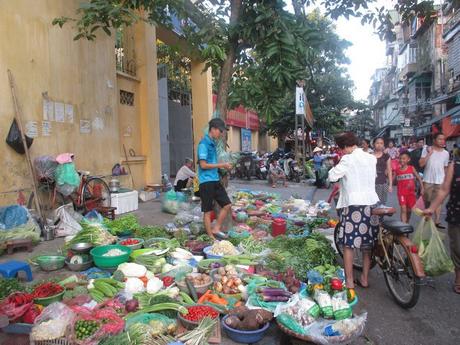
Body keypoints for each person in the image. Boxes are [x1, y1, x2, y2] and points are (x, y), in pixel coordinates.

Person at [328, 132, 379, 289]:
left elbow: (332, 176)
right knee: (367, 244)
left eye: (342, 149)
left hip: (354, 205)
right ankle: (364, 278)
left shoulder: (348, 159)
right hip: (372, 203)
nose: (342, 151)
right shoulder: (371, 158)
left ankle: (350, 281)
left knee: (349, 244)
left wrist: (334, 166)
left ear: (345, 146)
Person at [423, 156, 460, 294]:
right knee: (458, 247)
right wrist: (432, 208)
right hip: (457, 214)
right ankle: (458, 278)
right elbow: (444, 189)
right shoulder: (455, 166)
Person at [197, 118, 233, 239]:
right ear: (212, 129)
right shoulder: (203, 144)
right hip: (206, 182)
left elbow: (212, 163)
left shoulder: (212, 143)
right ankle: (211, 237)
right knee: (207, 211)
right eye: (220, 130)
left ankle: (216, 228)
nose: (221, 133)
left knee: (227, 205)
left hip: (214, 180)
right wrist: (221, 165)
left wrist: (224, 167)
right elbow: (203, 165)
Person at [419, 132, 450, 228]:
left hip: (440, 180)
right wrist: (429, 154)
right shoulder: (426, 149)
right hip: (428, 180)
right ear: (434, 140)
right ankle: (428, 219)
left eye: (443, 139)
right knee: (427, 201)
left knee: (438, 201)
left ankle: (437, 221)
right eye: (440, 139)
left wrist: (445, 180)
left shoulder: (446, 153)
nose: (442, 141)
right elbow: (421, 164)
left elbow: (445, 167)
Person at [394, 152, 424, 223]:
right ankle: (403, 227)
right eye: (400, 158)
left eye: (404, 159)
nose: (401, 160)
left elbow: (419, 178)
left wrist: (422, 188)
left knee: (409, 210)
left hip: (411, 193)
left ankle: (407, 222)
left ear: (408, 159)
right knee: (403, 209)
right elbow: (392, 180)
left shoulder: (411, 168)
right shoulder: (397, 170)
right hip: (401, 193)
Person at [373, 137, 392, 204]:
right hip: (371, 184)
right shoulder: (369, 156)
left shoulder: (386, 156)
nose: (379, 145)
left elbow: (389, 171)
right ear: (373, 144)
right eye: (377, 143)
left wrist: (390, 185)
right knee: (372, 205)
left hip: (383, 183)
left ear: (383, 145)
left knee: (382, 205)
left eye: (381, 143)